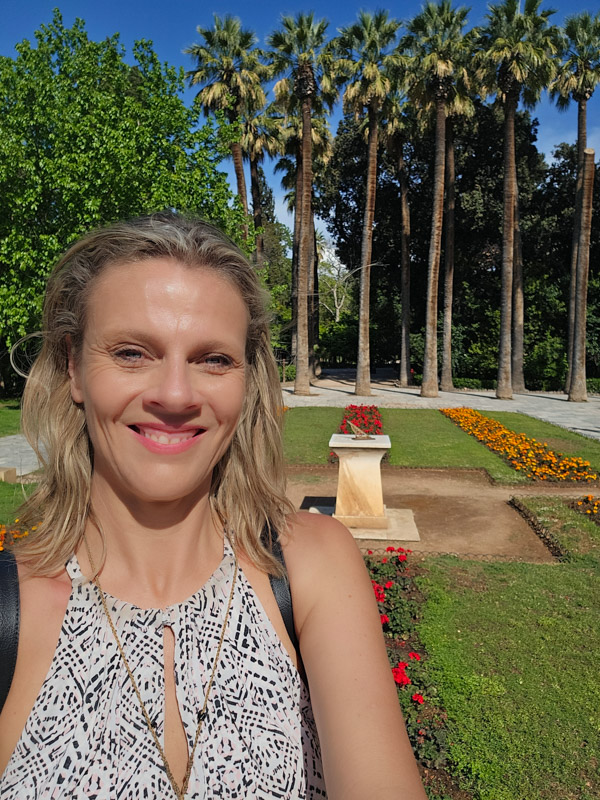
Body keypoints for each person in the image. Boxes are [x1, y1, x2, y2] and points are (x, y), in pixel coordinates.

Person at [0, 213, 427, 799]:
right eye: (131, 352)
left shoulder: (311, 566)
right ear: (73, 366)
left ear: (247, 380)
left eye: (214, 359)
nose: (175, 394)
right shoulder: (12, 614)